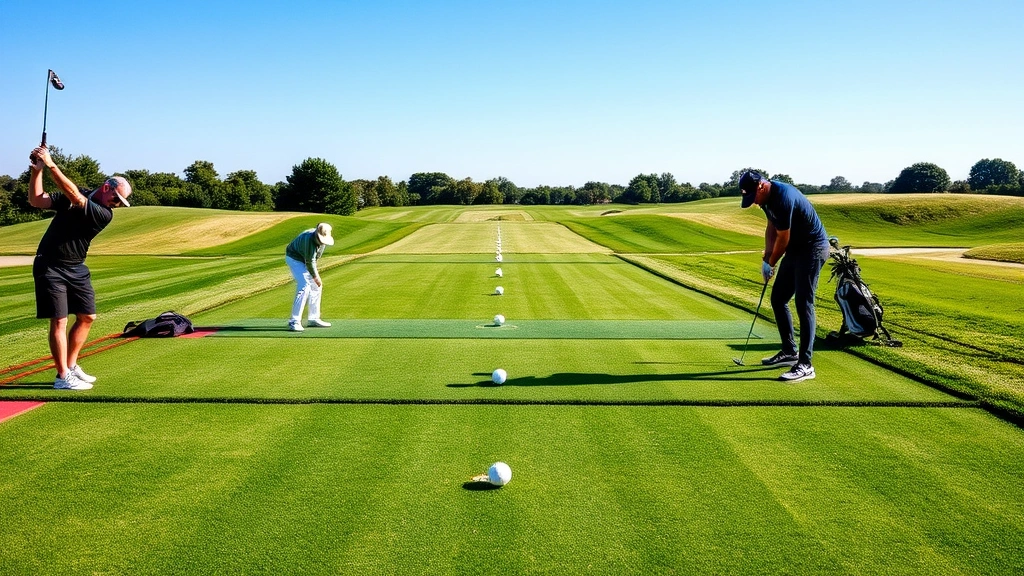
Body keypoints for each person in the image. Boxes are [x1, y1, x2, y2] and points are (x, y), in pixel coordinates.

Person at [28, 145, 132, 390]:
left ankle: (72, 365)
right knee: (60, 321)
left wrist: (51, 164)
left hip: (76, 267)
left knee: (87, 316)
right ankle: (62, 376)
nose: (117, 204)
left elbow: (75, 196)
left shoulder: (103, 213)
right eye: (116, 198)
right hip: (50, 265)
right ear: (107, 187)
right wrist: (37, 172)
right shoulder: (78, 195)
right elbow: (36, 200)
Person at [739, 170, 829, 382]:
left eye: (753, 197)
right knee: (778, 298)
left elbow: (783, 238)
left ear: (761, 186)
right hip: (796, 249)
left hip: (813, 248)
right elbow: (771, 228)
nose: (753, 203)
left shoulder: (783, 197)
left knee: (803, 303)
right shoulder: (766, 200)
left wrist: (771, 263)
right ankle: (790, 351)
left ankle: (806, 365)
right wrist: (766, 258)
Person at [285, 223, 334, 331]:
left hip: (306, 260)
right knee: (305, 285)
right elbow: (310, 261)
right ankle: (294, 321)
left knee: (317, 286)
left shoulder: (322, 240)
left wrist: (315, 278)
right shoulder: (308, 238)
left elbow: (315, 258)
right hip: (294, 258)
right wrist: (316, 277)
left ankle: (313, 318)